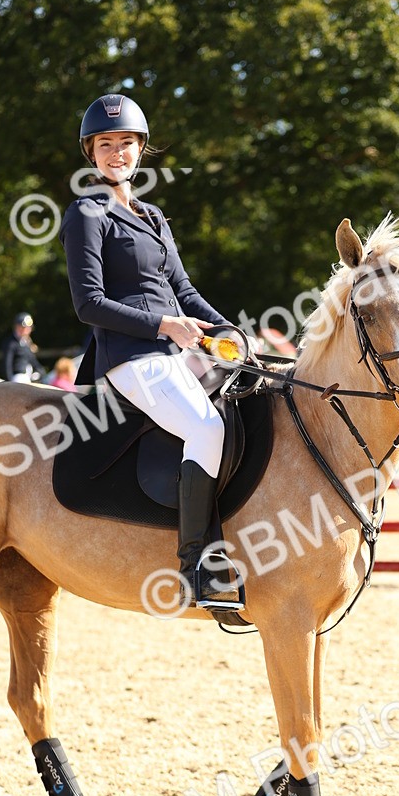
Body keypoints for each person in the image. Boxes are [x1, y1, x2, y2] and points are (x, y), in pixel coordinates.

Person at [59, 93, 242, 612]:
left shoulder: (155, 215)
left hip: (176, 352)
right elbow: (88, 304)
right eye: (106, 144)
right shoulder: (87, 214)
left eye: (126, 143)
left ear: (142, 150)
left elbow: (183, 289)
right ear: (91, 153)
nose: (117, 152)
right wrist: (164, 325)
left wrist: (227, 331)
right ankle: (195, 566)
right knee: (205, 428)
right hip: (130, 359)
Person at [2, 312, 44, 381]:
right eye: (24, 327)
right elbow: (7, 365)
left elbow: (33, 362)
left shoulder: (26, 343)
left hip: (29, 377)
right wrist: (9, 381)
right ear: (17, 327)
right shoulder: (11, 343)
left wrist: (40, 372)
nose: (27, 330)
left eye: (29, 328)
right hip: (18, 377)